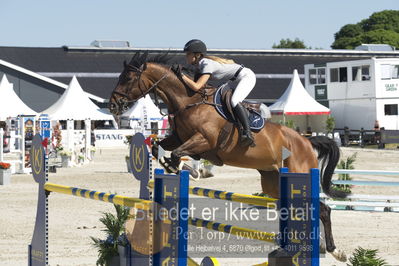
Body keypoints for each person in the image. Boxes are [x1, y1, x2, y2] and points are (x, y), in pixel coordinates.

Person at [177, 39, 257, 147]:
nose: (186, 56)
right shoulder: (199, 65)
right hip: (234, 80)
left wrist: (181, 76)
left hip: (246, 77)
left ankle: (248, 133)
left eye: (188, 54)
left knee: (234, 101)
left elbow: (196, 86)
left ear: (197, 55)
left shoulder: (206, 64)